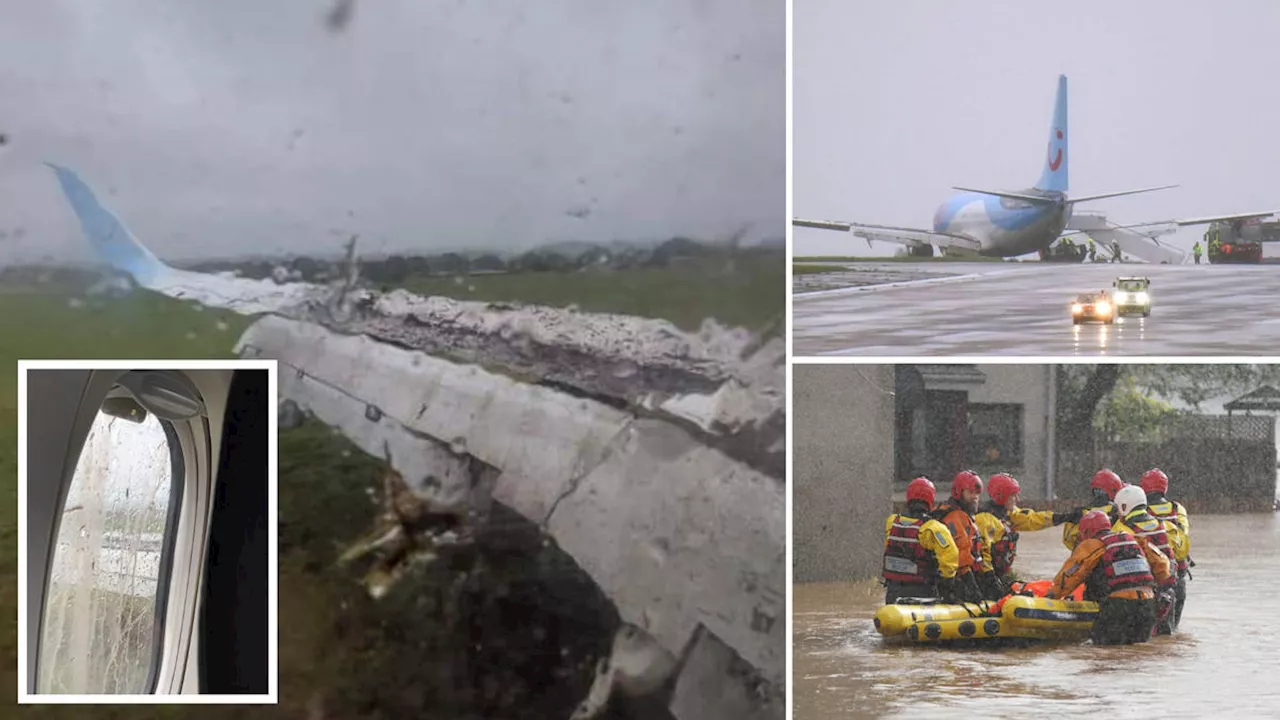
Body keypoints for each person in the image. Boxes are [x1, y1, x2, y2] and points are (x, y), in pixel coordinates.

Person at [1047, 510, 1172, 645]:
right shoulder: (1135, 539)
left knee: (1104, 654)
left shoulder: (1093, 545)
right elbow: (1163, 564)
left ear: (1087, 532)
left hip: (1118, 607)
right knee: (1136, 655)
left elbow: (1070, 575)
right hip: (1147, 608)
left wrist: (1051, 596)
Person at [975, 473, 1083, 584]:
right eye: (1013, 495)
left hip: (999, 575)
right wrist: (990, 580)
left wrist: (1063, 517)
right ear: (1001, 496)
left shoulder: (1008, 514)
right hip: (986, 578)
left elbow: (1032, 519)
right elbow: (983, 553)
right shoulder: (984, 519)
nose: (1018, 499)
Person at [882, 477, 961, 604]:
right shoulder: (933, 528)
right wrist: (947, 586)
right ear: (931, 499)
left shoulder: (892, 522)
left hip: (893, 592)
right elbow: (950, 558)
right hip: (923, 592)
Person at [1113, 484, 1181, 631]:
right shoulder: (1164, 525)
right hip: (1168, 589)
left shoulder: (1122, 530)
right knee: (1165, 641)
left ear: (1125, 506)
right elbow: (1180, 550)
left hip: (1143, 593)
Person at [931, 471, 996, 602]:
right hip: (953, 579)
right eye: (970, 493)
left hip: (950, 576)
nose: (975, 497)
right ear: (958, 493)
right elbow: (961, 558)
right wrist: (973, 590)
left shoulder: (959, 514)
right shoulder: (955, 517)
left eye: (977, 494)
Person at [1140, 468, 1192, 632]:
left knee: (1151, 630)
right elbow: (1182, 536)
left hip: (1154, 577)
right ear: (1165, 487)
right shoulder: (1178, 509)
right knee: (1171, 631)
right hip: (1177, 575)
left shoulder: (1141, 512)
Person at [1062, 469, 1125, 550]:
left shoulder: (1079, 513)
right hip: (1110, 555)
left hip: (1084, 557)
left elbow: (1067, 539)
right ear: (1113, 490)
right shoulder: (1118, 512)